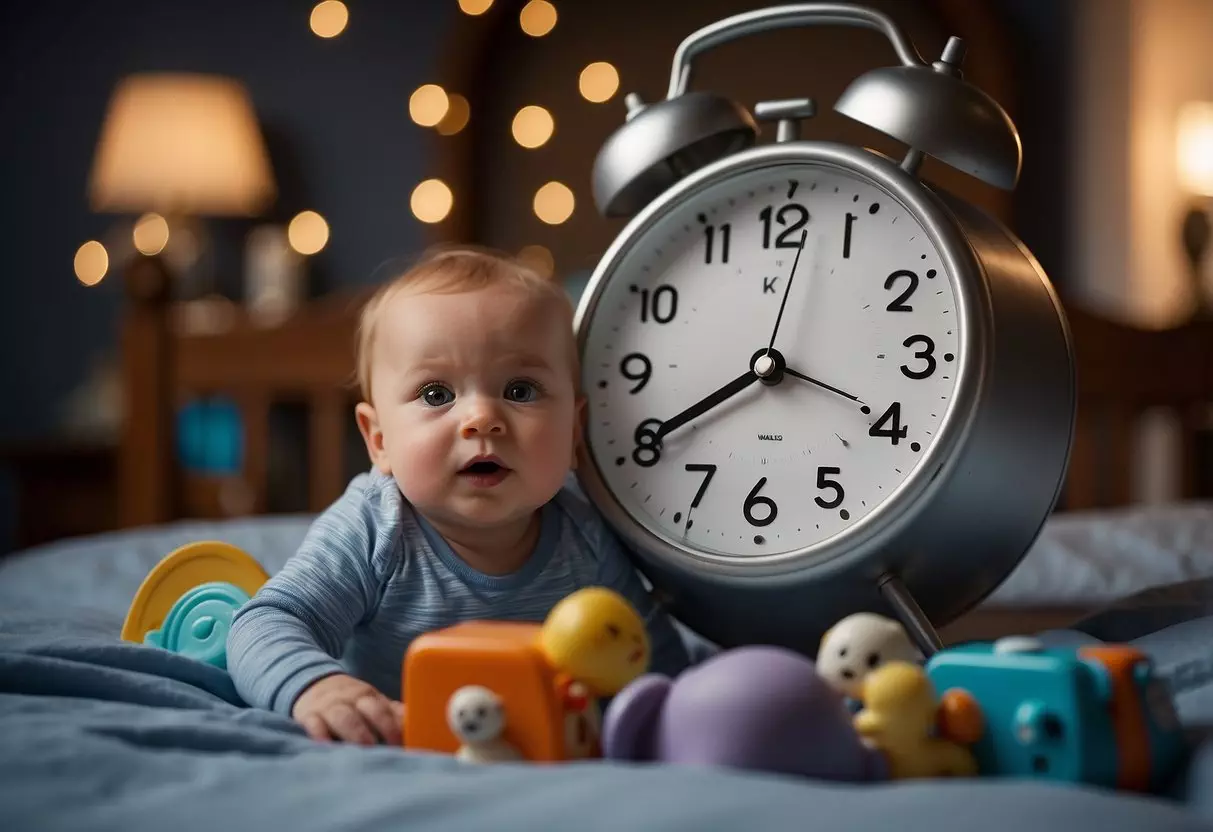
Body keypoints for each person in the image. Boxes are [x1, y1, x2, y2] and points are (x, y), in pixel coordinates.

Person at [226, 246, 691, 745]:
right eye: (436, 395)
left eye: (520, 390)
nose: (481, 418)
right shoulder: (376, 527)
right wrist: (316, 688)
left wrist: (670, 720)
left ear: (575, 430)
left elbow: (649, 661)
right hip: (399, 746)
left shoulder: (588, 533)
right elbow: (265, 622)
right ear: (379, 440)